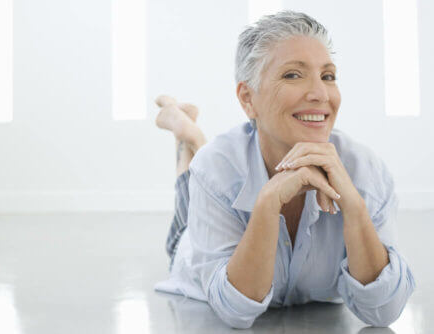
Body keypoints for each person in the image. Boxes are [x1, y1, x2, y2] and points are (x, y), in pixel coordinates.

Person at [153, 10, 416, 330]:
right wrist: (266, 205)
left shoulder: (366, 172)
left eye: (328, 76)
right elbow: (236, 312)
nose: (320, 94)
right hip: (192, 242)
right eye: (293, 75)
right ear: (248, 99)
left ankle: (190, 131)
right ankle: (187, 135)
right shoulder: (215, 169)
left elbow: (384, 311)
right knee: (186, 199)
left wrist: (354, 207)